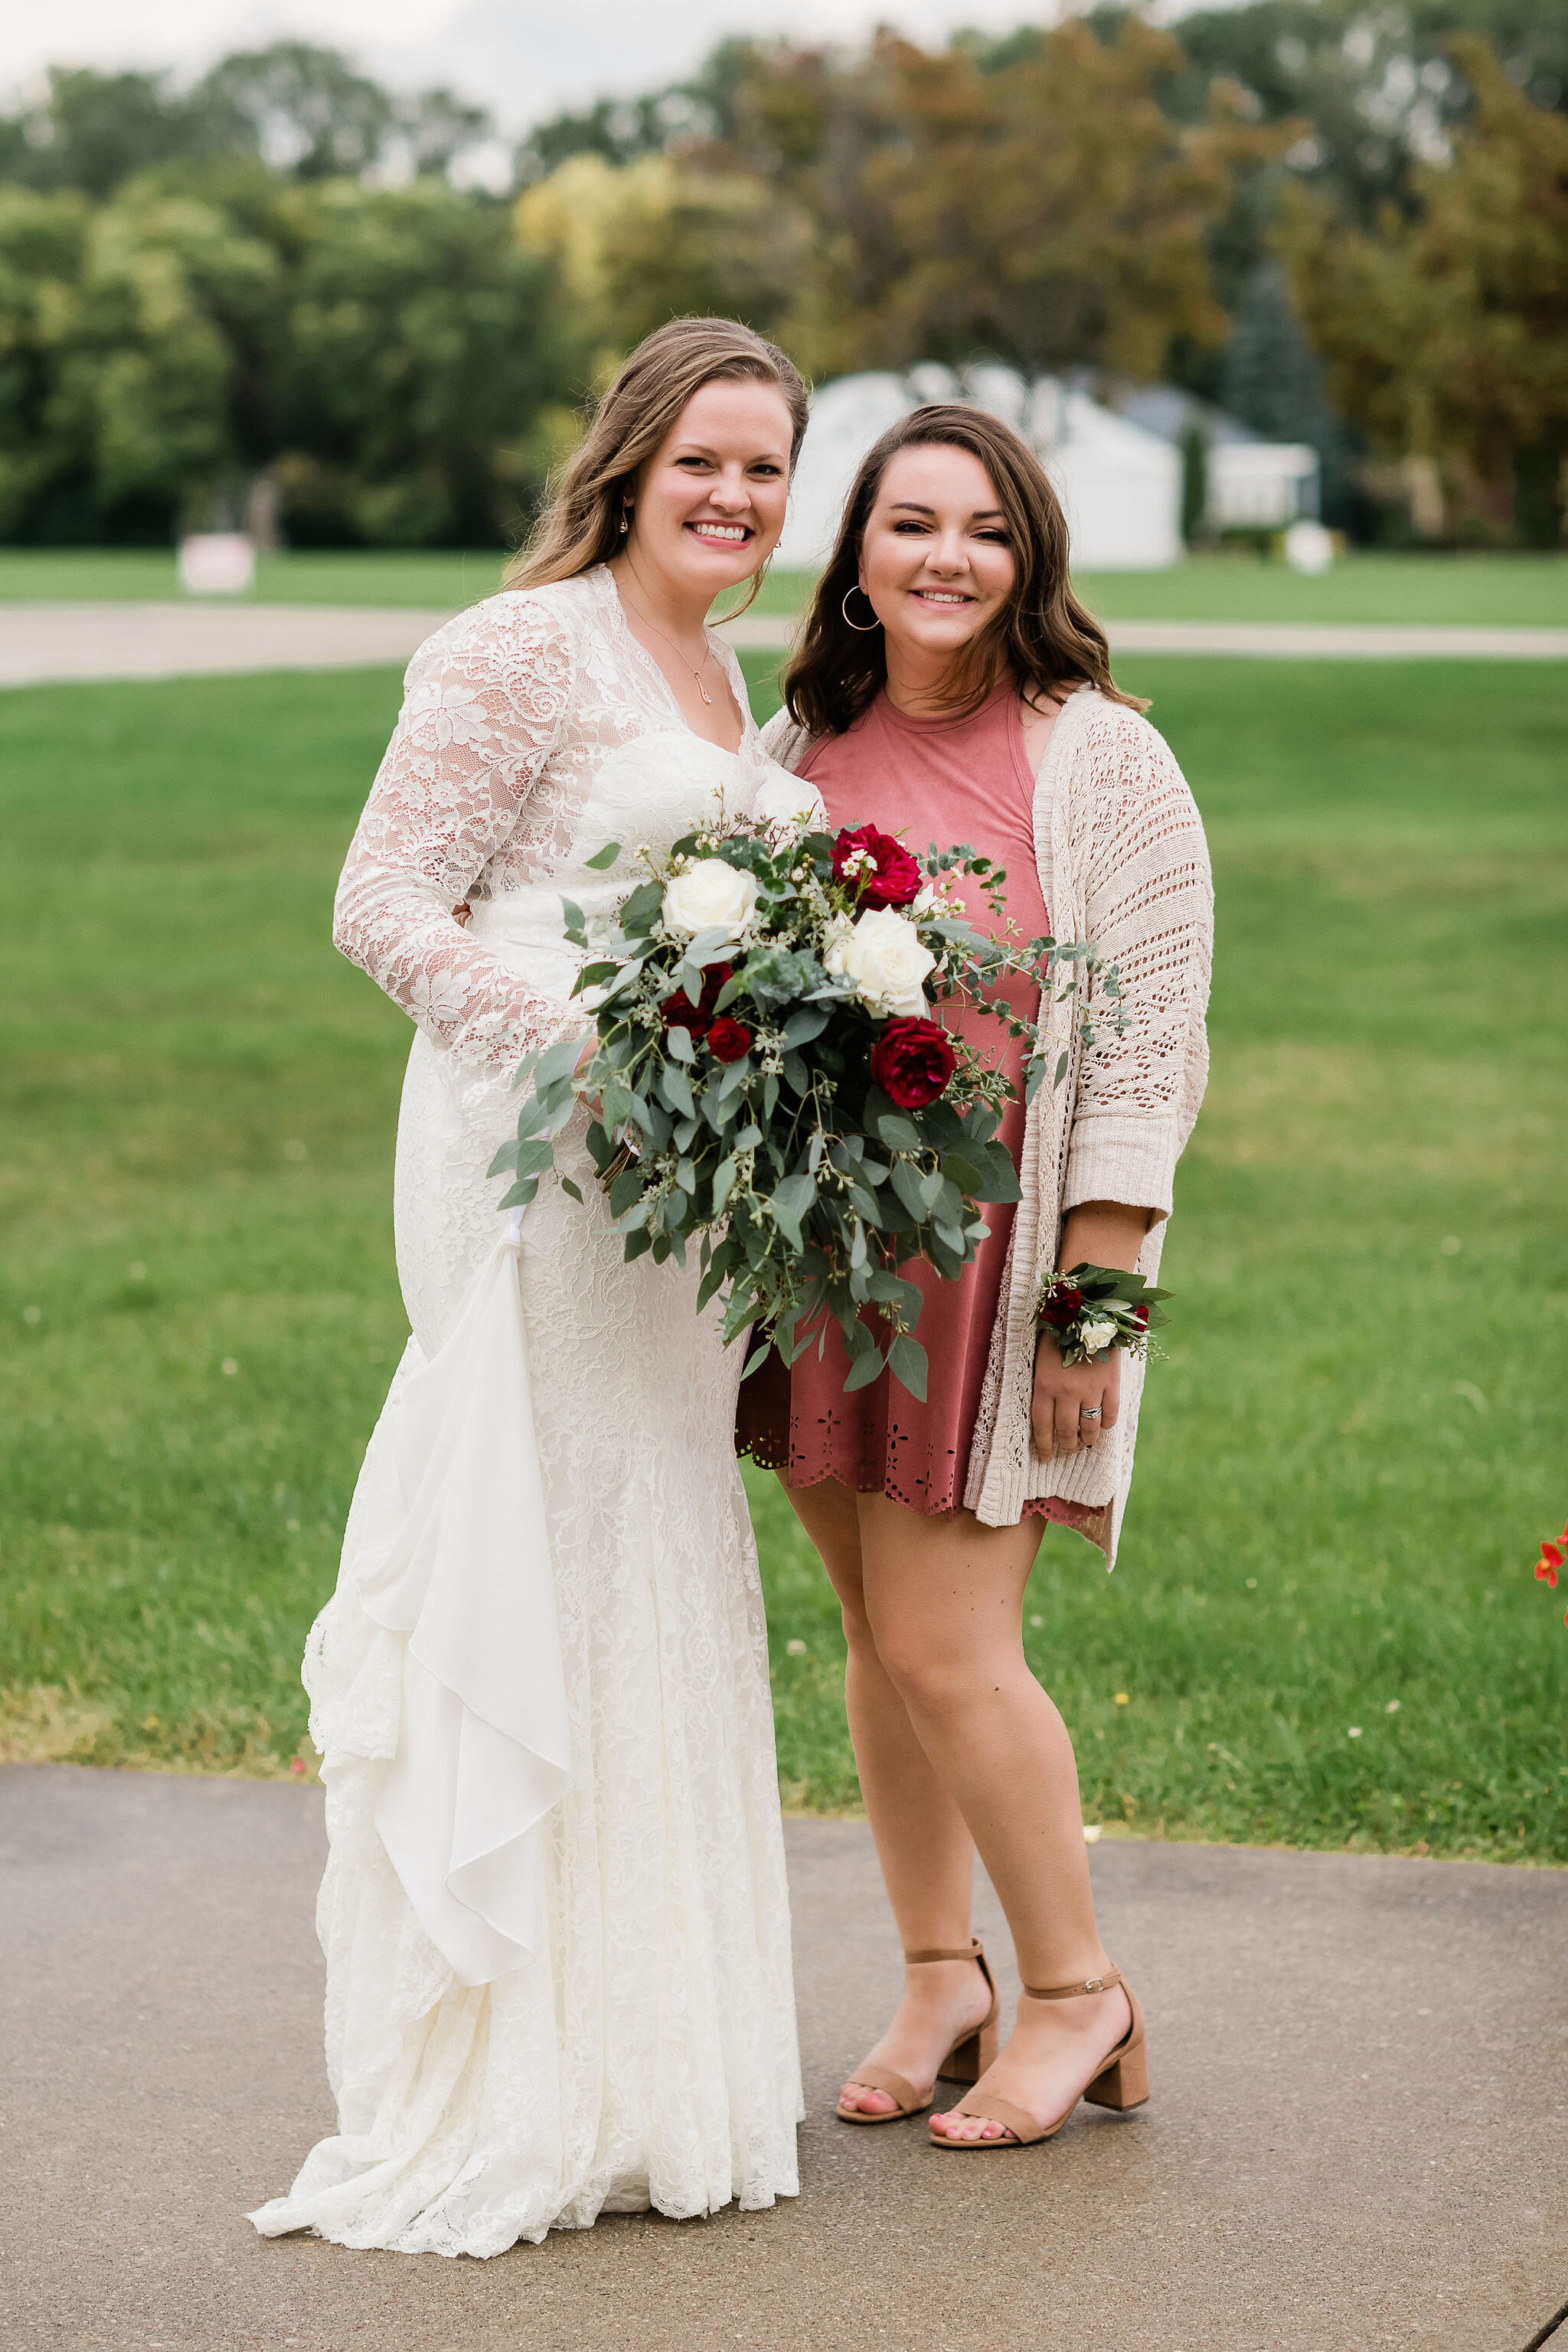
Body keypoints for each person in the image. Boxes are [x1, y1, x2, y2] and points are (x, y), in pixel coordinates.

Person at [251, 318, 814, 2256]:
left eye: (766, 469)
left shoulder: (719, 666)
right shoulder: (517, 646)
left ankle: (650, 2067)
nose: (735, 499)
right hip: (532, 1163)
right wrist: (588, 1049)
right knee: (542, 1525)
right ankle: (511, 2078)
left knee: (649, 1527)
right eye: (706, 462)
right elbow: (381, 900)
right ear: (632, 457)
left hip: (670, 1205)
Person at [737, 406, 1213, 2148]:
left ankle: (1080, 1995)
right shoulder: (795, 741)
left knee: (953, 1645)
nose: (946, 557)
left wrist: (1098, 1296)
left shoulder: (1099, 759)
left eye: (986, 528)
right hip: (815, 1260)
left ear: (1032, 558)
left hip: (996, 1265)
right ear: (855, 549)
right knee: (874, 1636)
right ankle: (941, 1970)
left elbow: (1154, 1041)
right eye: (910, 521)